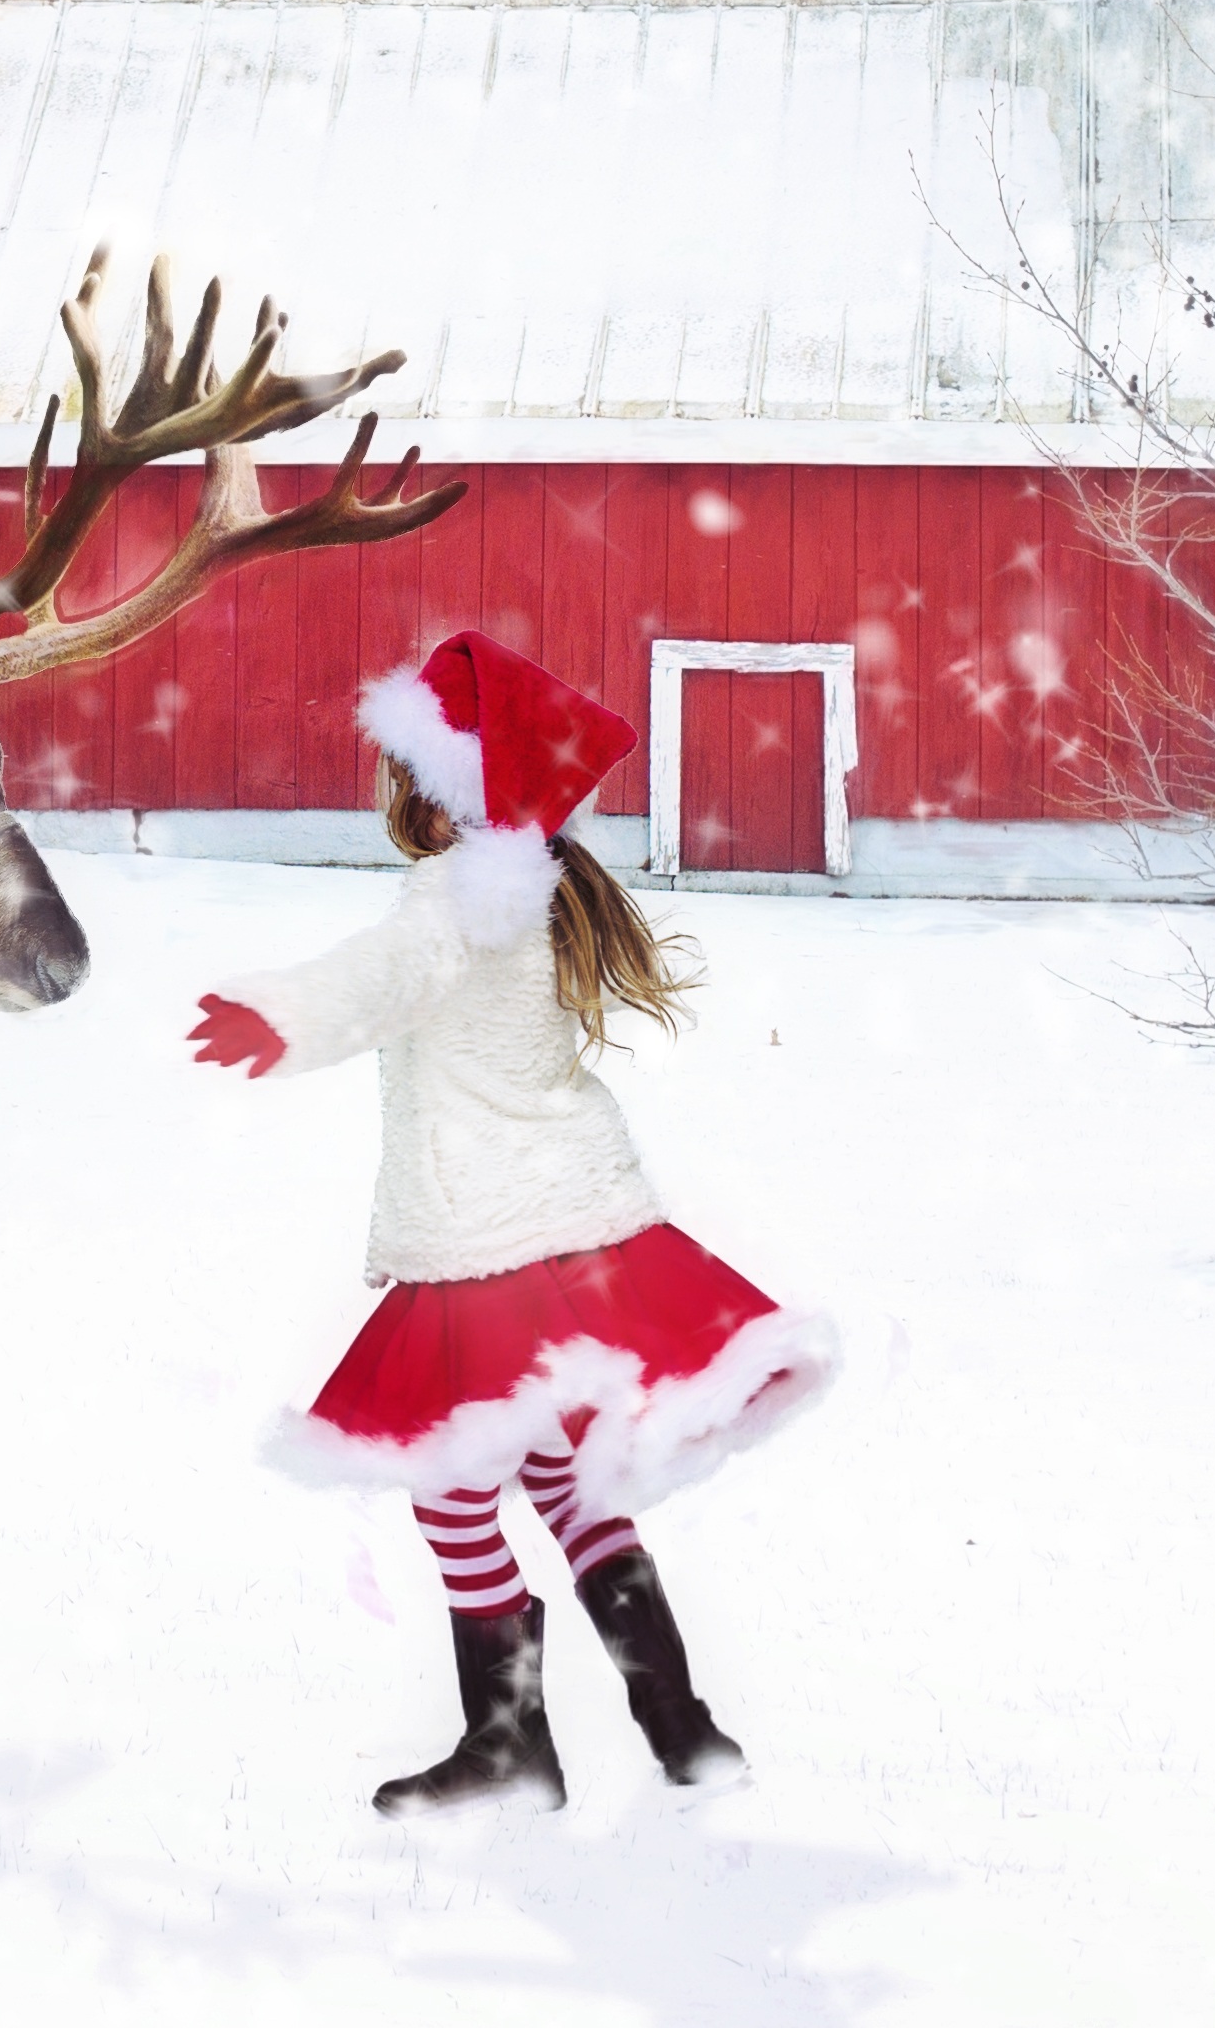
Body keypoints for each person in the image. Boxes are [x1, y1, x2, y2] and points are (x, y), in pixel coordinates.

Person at [190, 631, 833, 1815]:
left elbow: (383, 974)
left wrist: (283, 1017)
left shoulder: (456, 903)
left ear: (439, 792)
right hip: (567, 1219)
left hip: (489, 1232)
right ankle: (681, 1729)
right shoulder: (531, 882)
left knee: (452, 1486)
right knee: (563, 1479)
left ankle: (507, 1743)